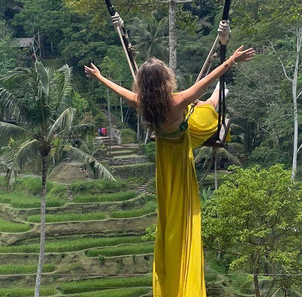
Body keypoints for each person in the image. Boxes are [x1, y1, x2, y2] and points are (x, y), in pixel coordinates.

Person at [84, 45, 255, 297]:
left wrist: (99, 77)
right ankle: (220, 98)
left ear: (142, 86)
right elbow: (207, 80)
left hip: (165, 159)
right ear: (166, 82)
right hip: (183, 147)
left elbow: (120, 91)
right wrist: (230, 60)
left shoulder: (142, 103)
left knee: (171, 215)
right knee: (207, 107)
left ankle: (216, 100)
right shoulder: (177, 100)